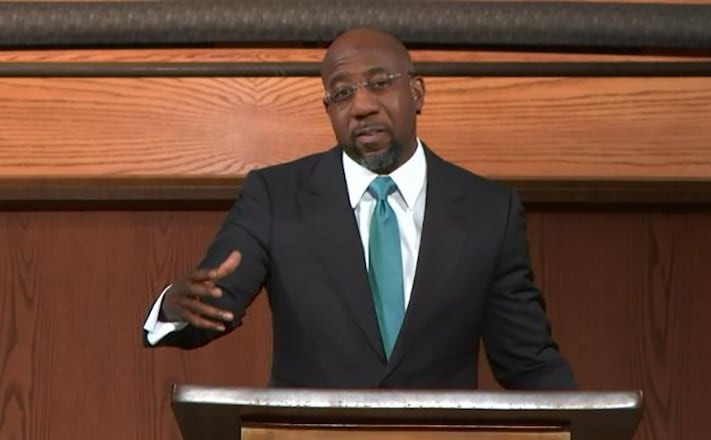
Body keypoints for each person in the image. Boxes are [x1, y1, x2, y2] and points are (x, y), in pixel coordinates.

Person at [142, 27, 576, 390]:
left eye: (380, 83)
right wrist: (173, 309)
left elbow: (527, 362)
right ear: (328, 109)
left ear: (417, 91)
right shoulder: (275, 197)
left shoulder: (488, 211)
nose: (362, 106)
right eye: (342, 93)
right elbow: (211, 305)